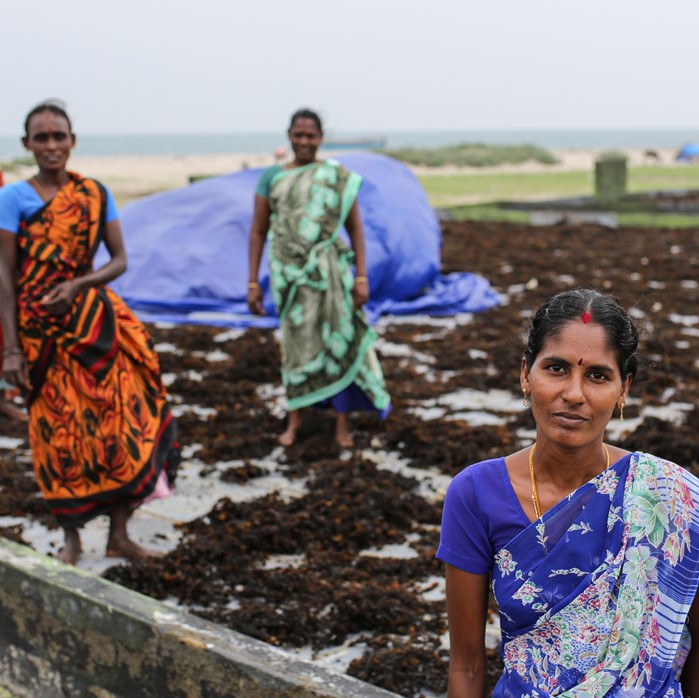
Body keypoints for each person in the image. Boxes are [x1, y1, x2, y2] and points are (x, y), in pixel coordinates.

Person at [437, 288, 699, 696]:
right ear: (526, 374)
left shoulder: (667, 496)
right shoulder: (475, 493)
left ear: (623, 389)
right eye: (556, 368)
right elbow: (468, 666)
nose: (574, 394)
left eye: (597, 375)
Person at [0, 100, 179, 565]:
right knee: (58, 435)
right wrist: (12, 351)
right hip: (40, 337)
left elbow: (119, 260)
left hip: (96, 329)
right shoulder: (13, 198)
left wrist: (80, 284)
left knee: (121, 424)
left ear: (73, 141)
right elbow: (4, 276)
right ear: (27, 145)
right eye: (41, 138)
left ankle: (119, 535)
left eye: (59, 136)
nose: (51, 145)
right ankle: (72, 541)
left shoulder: (95, 194)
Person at [247, 108, 390, 447]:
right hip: (289, 278)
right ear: (289, 136)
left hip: (331, 275)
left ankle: (342, 426)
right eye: (298, 135)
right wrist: (253, 282)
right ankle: (294, 422)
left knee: (336, 342)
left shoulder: (335, 176)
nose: (304, 141)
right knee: (295, 349)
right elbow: (257, 231)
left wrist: (361, 277)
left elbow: (355, 227)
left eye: (310, 136)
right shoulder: (272, 177)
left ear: (320, 139)